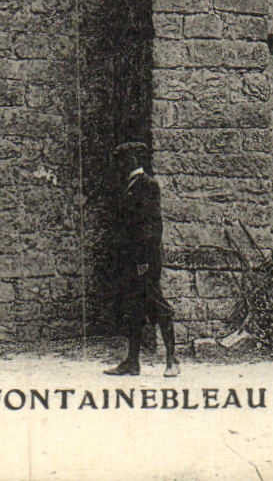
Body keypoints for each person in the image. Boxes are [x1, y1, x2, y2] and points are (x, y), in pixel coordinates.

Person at [104, 141, 179, 378]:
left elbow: (152, 225)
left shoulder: (148, 185)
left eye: (124, 160)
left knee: (158, 305)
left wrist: (144, 259)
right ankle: (132, 363)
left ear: (134, 161)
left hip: (145, 260)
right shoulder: (129, 185)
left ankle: (172, 361)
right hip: (132, 259)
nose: (120, 165)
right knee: (134, 309)